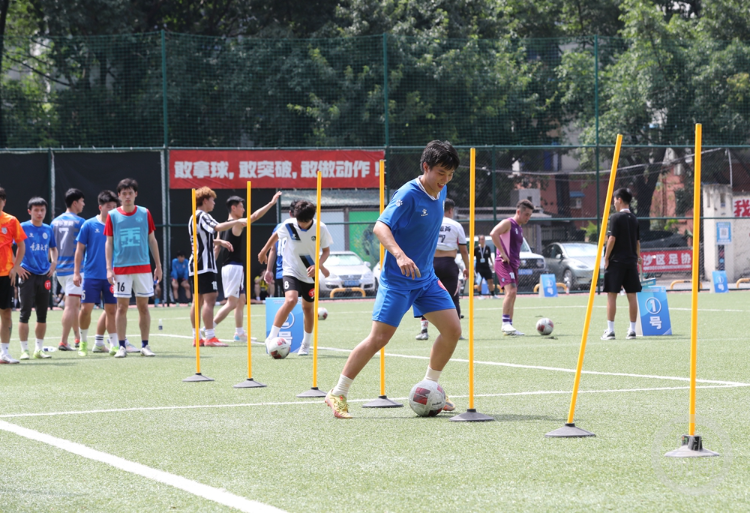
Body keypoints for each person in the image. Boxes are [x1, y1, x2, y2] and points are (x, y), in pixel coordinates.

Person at [324, 140, 461, 419]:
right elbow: (380, 226)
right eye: (441, 173)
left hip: (426, 279)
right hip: (398, 281)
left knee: (452, 330)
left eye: (450, 174)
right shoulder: (408, 194)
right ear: (425, 167)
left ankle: (430, 387)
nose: (445, 180)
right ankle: (338, 392)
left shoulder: (441, 189)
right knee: (379, 339)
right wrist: (399, 255)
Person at [258, 200, 331, 356]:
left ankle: (305, 344)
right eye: (299, 221)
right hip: (290, 269)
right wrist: (263, 251)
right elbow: (275, 237)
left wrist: (318, 265)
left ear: (312, 218)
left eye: (305, 222)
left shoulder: (321, 228)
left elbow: (326, 251)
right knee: (291, 300)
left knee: (308, 309)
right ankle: (270, 338)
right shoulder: (289, 224)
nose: (302, 225)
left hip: (309, 273)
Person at [212, 192, 281, 343]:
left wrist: (212, 266)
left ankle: (239, 333)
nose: (243, 210)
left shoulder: (222, 226)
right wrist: (271, 203)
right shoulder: (236, 223)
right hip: (233, 267)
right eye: (241, 207)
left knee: (241, 300)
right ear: (233, 208)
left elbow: (216, 249)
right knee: (232, 302)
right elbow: (254, 217)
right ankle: (209, 328)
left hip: (229, 267)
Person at [105, 178, 162, 358]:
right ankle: (121, 346)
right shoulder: (112, 215)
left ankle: (145, 345)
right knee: (121, 308)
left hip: (143, 268)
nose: (127, 196)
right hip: (121, 269)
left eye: (130, 193)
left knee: (143, 307)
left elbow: (152, 240)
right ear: (119, 196)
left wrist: (158, 265)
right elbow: (109, 243)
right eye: (124, 193)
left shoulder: (145, 213)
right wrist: (109, 268)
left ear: (136, 194)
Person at [187, 187, 247, 347]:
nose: (214, 203)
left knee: (197, 301)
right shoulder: (203, 215)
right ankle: (210, 337)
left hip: (195, 264)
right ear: (205, 200)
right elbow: (218, 227)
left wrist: (218, 242)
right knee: (210, 298)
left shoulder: (193, 217)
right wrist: (237, 221)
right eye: (212, 200)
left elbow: (200, 238)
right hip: (204, 264)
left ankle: (197, 337)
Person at [415, 198, 469, 341]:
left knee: (424, 296)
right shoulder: (456, 225)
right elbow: (464, 250)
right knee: (453, 298)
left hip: (430, 263)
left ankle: (424, 330)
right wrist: (468, 267)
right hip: (449, 264)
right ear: (451, 210)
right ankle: (457, 332)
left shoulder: (431, 222)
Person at [74, 190, 119, 356]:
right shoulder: (89, 225)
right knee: (86, 309)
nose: (112, 210)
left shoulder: (118, 225)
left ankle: (114, 344)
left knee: (111, 310)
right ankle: (83, 342)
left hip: (111, 276)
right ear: (100, 207)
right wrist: (76, 272)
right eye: (108, 207)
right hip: (91, 275)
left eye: (114, 207)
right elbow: (79, 250)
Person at [17, 197, 58, 360]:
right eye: (36, 210)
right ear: (29, 211)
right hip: (27, 275)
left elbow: (53, 248)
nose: (40, 213)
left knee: (42, 314)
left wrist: (53, 264)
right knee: (25, 313)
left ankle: (38, 350)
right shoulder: (22, 227)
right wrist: (17, 266)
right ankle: (24, 350)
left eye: (42, 210)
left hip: (44, 275)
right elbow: (12, 247)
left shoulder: (48, 229)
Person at [601, 188, 642, 340]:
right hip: (630, 262)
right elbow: (637, 242)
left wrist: (606, 257)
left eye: (614, 200)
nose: (613, 203)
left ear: (619, 200)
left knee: (612, 295)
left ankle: (610, 331)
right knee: (632, 296)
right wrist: (638, 256)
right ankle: (632, 330)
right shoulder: (634, 219)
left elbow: (612, 239)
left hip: (616, 262)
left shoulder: (615, 217)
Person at [490, 199, 534, 336]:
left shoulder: (519, 228)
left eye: (530, 215)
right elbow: (493, 233)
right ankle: (505, 324)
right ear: (518, 212)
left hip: (513, 265)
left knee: (513, 294)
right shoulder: (508, 223)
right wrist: (502, 253)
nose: (528, 218)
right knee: (511, 292)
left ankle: (510, 325)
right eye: (526, 214)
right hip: (503, 262)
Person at [52, 188, 85, 351]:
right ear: (75, 203)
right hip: (75, 270)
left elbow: (51, 247)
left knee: (74, 303)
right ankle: (63, 341)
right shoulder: (80, 222)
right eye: (82, 201)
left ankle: (77, 338)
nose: (83, 204)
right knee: (71, 306)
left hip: (60, 270)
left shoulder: (54, 222)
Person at [0, 187, 27, 364]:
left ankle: (4, 353)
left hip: (5, 275)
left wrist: (15, 267)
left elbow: (21, 245)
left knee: (6, 314)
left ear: (4, 202)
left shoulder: (11, 221)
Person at [264, 200, 298, 297]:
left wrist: (269, 270)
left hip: (281, 273)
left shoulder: (279, 227)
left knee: (290, 301)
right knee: (299, 301)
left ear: (290, 213)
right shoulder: (301, 228)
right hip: (295, 272)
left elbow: (273, 250)